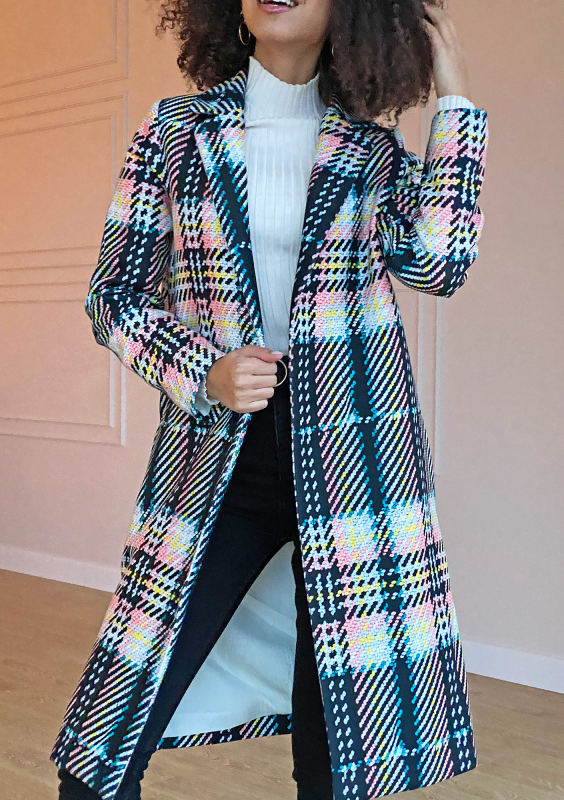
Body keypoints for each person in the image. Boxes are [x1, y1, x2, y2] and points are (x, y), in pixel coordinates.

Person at [52, 1, 489, 799]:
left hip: (355, 464)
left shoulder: (372, 150)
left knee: (337, 764)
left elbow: (438, 263)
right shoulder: (175, 131)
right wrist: (204, 368)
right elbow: (113, 297)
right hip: (222, 455)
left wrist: (455, 100)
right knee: (103, 748)